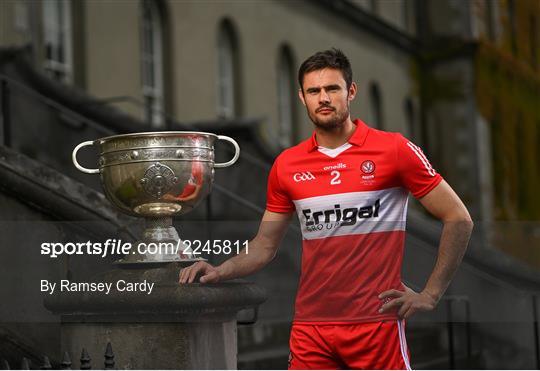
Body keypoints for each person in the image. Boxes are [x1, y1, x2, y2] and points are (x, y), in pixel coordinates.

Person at [179, 48, 473, 370]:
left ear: (351, 91)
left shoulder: (395, 150)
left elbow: (458, 218)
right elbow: (264, 246)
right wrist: (220, 270)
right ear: (302, 98)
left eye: (332, 88)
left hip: (375, 326)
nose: (323, 98)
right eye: (314, 91)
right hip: (311, 328)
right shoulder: (287, 165)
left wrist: (430, 293)